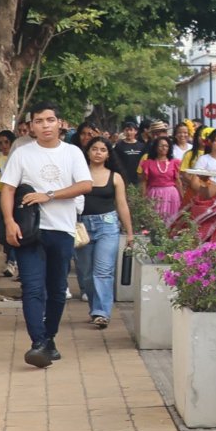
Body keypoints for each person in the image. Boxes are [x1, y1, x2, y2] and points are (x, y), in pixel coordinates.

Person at [0, 101, 94, 369]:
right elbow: (7, 189)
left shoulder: (73, 153)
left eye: (50, 120)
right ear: (31, 126)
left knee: (56, 289)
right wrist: (9, 221)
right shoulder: (21, 154)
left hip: (62, 230)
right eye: (39, 121)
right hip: (29, 231)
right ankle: (38, 343)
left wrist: (49, 195)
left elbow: (85, 185)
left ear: (60, 123)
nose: (45, 125)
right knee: (31, 288)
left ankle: (48, 338)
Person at [73, 138, 133, 329]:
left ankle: (102, 312)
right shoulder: (77, 175)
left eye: (103, 149)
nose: (98, 152)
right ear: (88, 152)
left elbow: (122, 205)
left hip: (107, 225)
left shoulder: (115, 177)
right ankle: (95, 308)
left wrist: (130, 232)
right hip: (82, 227)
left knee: (104, 271)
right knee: (86, 274)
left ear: (108, 154)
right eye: (94, 149)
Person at [139, 137, 182, 222]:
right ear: (155, 148)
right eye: (161, 146)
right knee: (155, 221)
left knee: (171, 222)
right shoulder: (148, 163)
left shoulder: (174, 162)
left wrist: (182, 197)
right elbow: (144, 182)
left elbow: (177, 181)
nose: (164, 148)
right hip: (154, 194)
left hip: (171, 195)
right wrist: (142, 198)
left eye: (166, 146)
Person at [111, 121, 145, 186]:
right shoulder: (119, 145)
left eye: (131, 130)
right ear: (123, 131)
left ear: (136, 131)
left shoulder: (142, 146)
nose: (129, 132)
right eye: (126, 130)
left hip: (138, 177)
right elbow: (115, 160)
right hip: (124, 177)